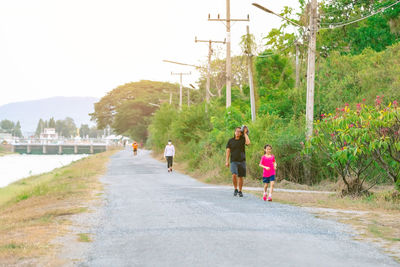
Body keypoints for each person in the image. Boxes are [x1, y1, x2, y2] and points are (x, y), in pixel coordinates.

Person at [226, 126, 250, 197]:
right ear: (234, 132)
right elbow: (228, 151)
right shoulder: (230, 141)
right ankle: (235, 188)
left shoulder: (242, 139)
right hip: (233, 160)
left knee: (241, 176)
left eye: (239, 131)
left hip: (242, 160)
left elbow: (248, 143)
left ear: (241, 133)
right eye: (236, 131)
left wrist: (245, 133)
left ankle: (240, 191)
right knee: (234, 174)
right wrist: (226, 161)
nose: (237, 132)